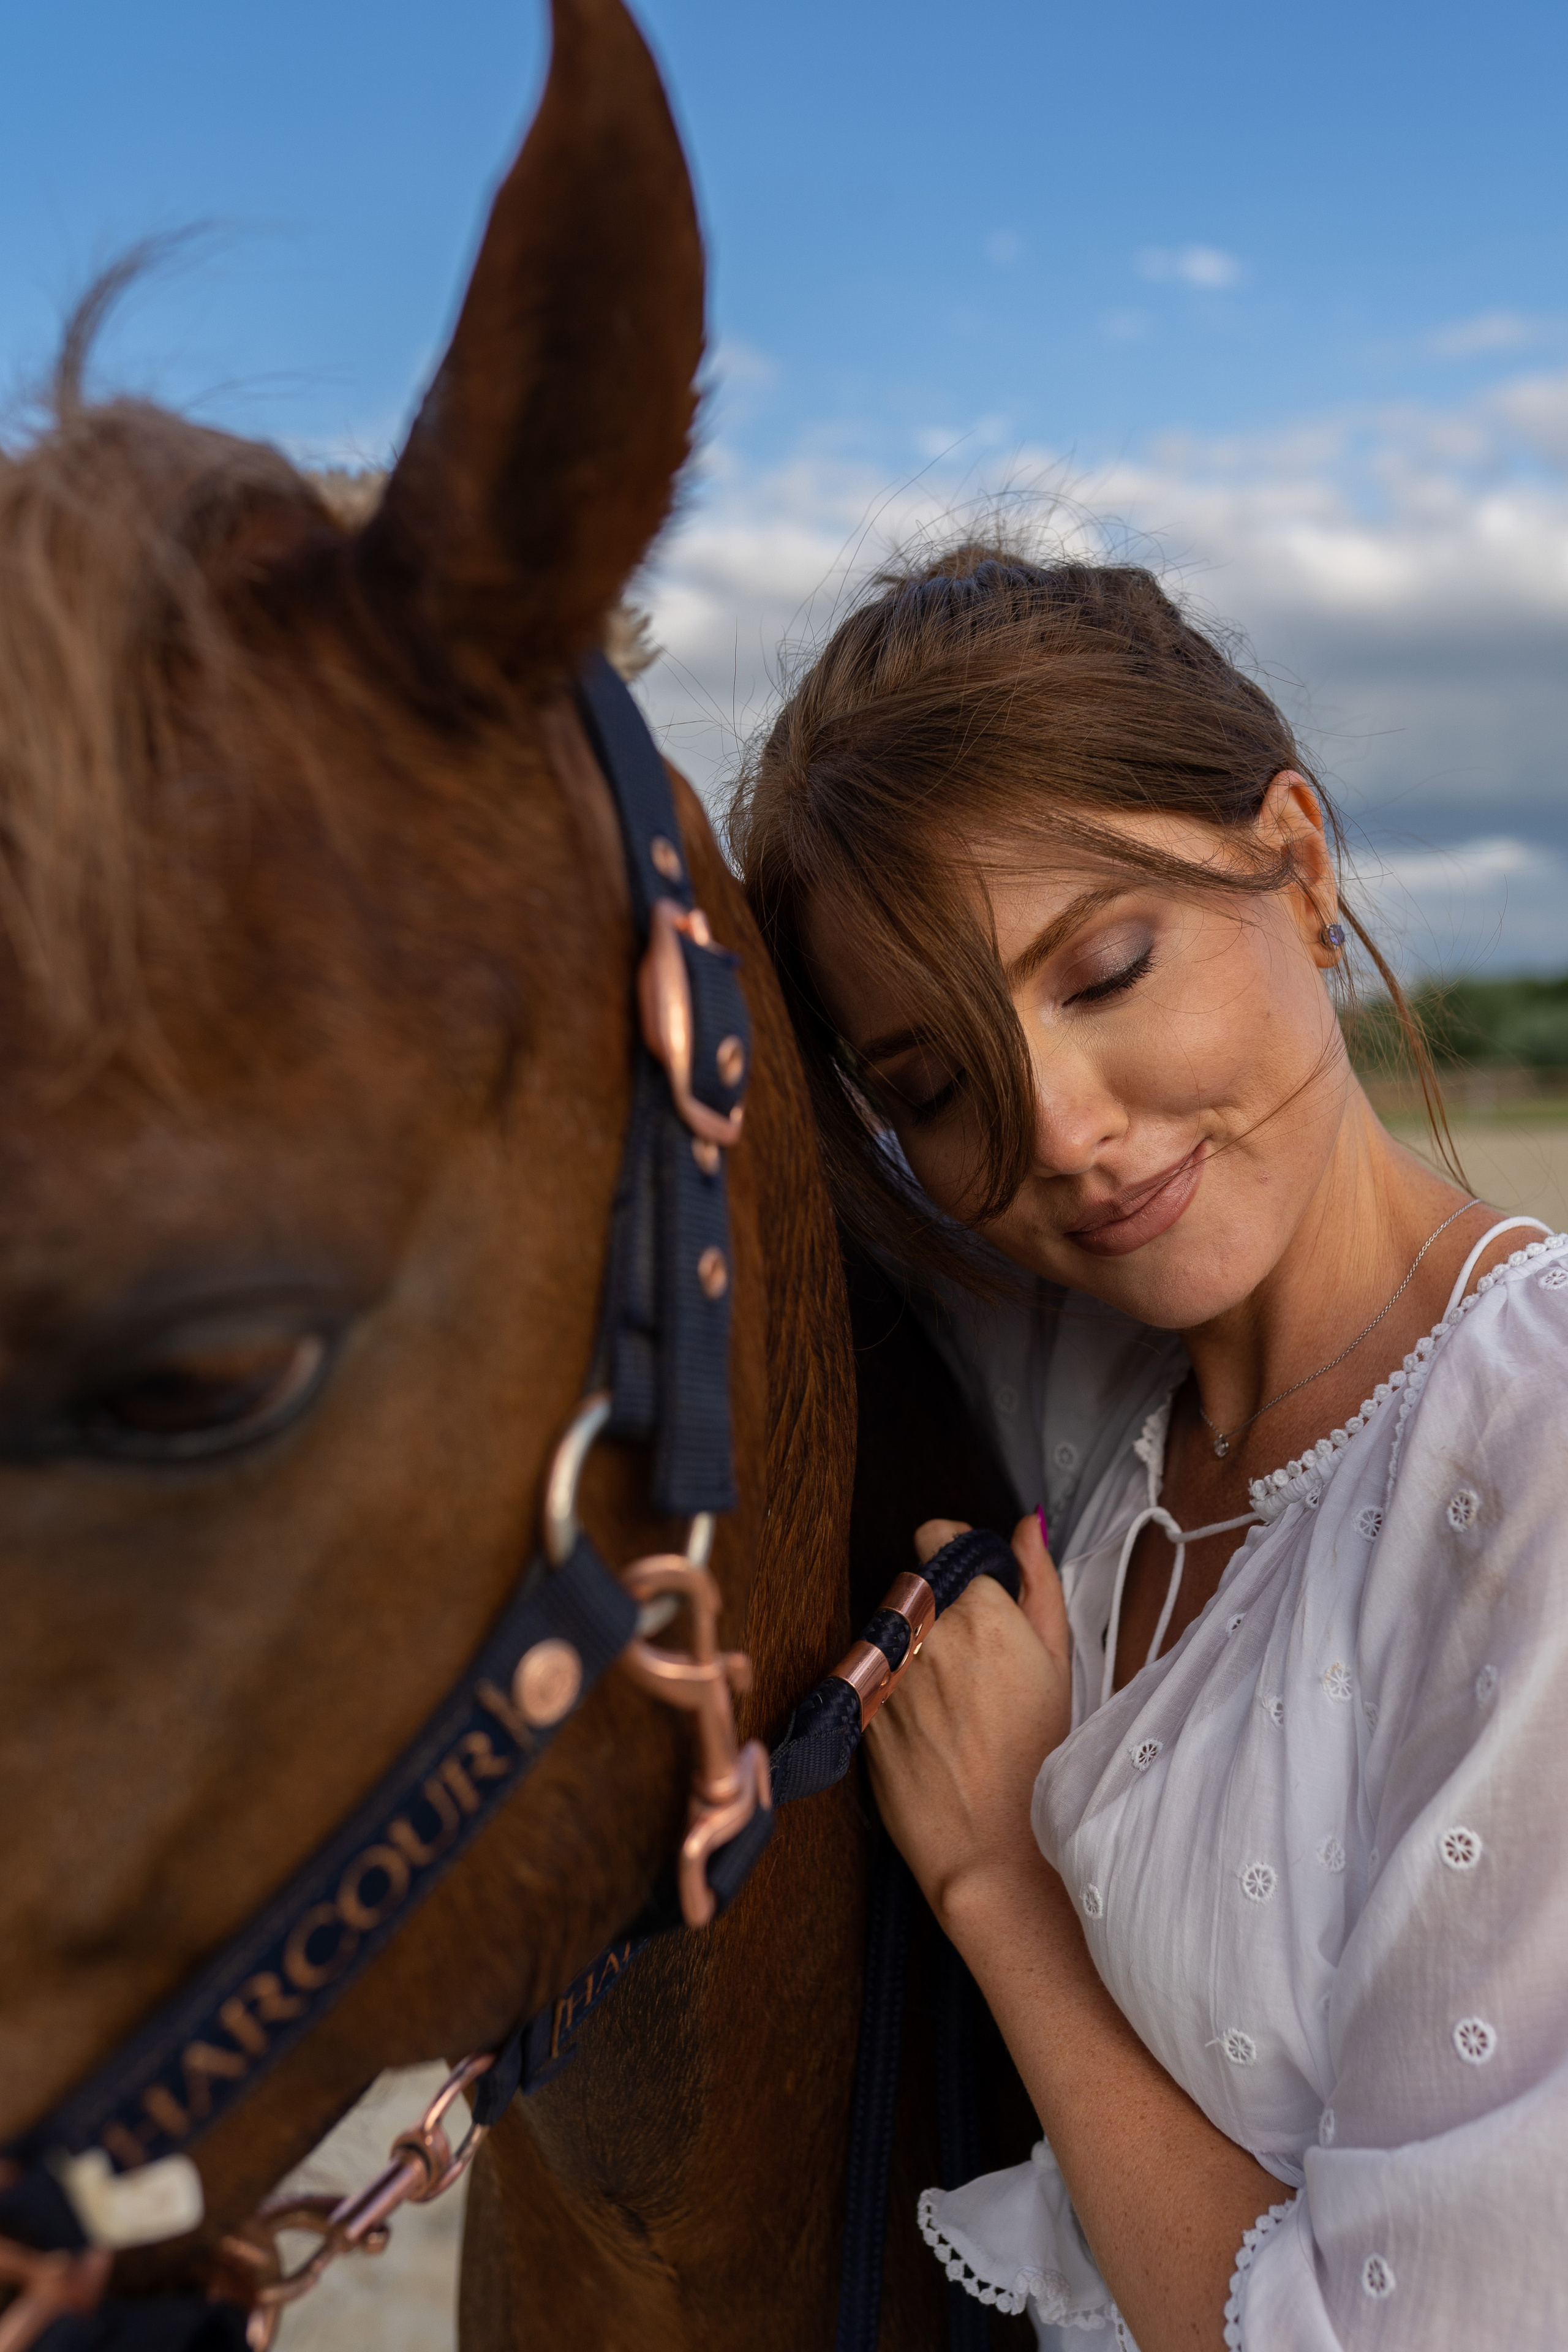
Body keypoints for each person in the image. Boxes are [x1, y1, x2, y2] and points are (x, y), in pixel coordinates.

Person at [729, 547, 1567, 2350]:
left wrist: (999, 1890)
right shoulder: (1094, 1387)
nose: (1065, 1135)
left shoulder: (1534, 1451)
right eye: (938, 1088)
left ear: (1300, 860)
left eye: (1107, 968)